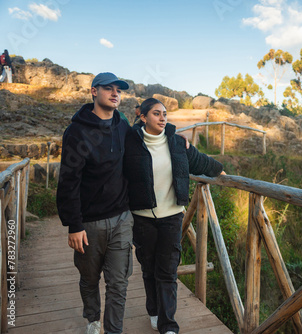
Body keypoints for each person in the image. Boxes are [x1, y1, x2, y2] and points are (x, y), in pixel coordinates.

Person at [123, 97, 224, 334]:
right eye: (156, 113)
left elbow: (199, 162)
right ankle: (154, 311)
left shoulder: (177, 143)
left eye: (165, 114)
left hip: (172, 216)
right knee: (149, 267)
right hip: (142, 216)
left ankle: (168, 325)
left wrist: (219, 170)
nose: (162, 118)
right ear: (143, 116)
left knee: (168, 270)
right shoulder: (130, 142)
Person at [57, 72, 133, 334]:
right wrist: (74, 225)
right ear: (93, 91)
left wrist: (178, 139)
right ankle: (93, 319)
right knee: (89, 279)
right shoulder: (76, 132)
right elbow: (68, 181)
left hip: (122, 218)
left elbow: (147, 138)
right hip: (88, 223)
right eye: (109, 89)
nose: (115, 94)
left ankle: (113, 331)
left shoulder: (122, 125)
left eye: (119, 90)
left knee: (118, 283)